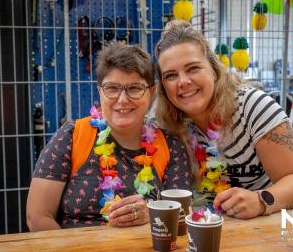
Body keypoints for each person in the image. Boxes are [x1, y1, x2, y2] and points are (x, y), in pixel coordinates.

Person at [154, 20, 293, 219]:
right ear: (163, 87)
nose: (183, 82)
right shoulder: (166, 125)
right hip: (218, 229)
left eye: (193, 68)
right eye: (170, 75)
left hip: (285, 223)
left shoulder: (252, 106)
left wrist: (261, 200)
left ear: (214, 70)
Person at [26, 43, 193, 231]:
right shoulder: (72, 136)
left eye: (135, 88)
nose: (122, 99)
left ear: (151, 92)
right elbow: (38, 217)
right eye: (112, 88)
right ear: (99, 90)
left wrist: (153, 213)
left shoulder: (170, 146)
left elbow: (183, 216)